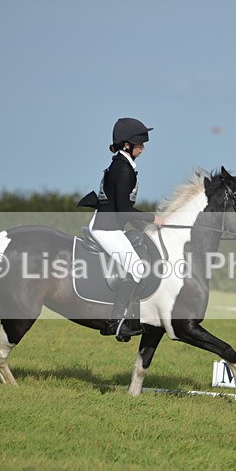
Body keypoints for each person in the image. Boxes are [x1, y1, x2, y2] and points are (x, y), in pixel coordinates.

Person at [78, 117, 164, 341]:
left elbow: (123, 207)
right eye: (140, 144)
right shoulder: (123, 169)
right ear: (127, 145)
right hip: (106, 229)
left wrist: (144, 224)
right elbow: (125, 209)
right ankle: (116, 322)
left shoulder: (123, 165)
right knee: (137, 269)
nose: (143, 148)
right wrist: (153, 218)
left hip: (110, 224)